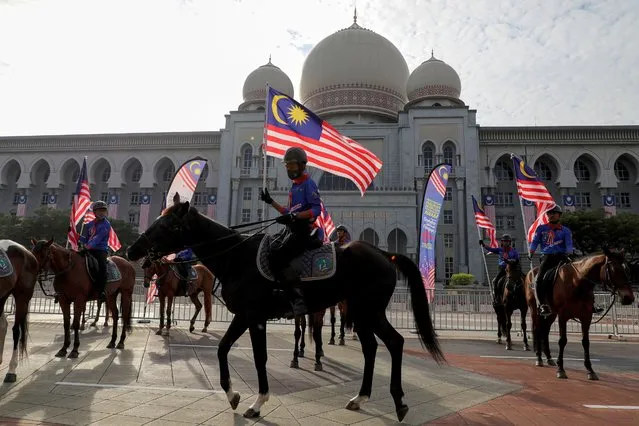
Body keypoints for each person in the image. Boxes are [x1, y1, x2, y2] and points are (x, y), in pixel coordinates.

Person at [259, 146, 322, 318]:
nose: (289, 168)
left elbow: (316, 210)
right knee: (269, 247)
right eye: (287, 165)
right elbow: (288, 212)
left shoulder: (309, 184)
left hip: (304, 231)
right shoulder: (294, 187)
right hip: (292, 229)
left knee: (279, 256)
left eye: (292, 165)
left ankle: (298, 301)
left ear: (302, 165)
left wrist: (295, 216)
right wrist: (270, 201)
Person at [528, 205, 605, 316]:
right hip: (547, 257)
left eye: (554, 213)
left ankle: (591, 304)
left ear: (559, 215)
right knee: (539, 279)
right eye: (549, 213)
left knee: (582, 276)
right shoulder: (541, 229)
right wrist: (531, 251)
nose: (551, 215)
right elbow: (535, 241)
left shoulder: (565, 230)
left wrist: (569, 253)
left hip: (562, 257)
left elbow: (569, 244)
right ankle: (542, 305)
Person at [80, 200, 111, 301]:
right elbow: (86, 238)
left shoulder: (106, 225)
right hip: (88, 248)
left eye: (103, 210)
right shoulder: (89, 224)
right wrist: (76, 236)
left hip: (100, 250)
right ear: (94, 212)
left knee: (102, 267)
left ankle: (101, 291)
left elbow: (97, 239)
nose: (102, 212)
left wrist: (87, 247)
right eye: (99, 211)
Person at [479, 234, 519, 303]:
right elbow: (491, 249)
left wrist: (511, 261)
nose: (506, 243)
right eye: (504, 241)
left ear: (510, 242)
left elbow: (517, 259)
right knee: (495, 281)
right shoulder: (500, 250)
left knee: (521, 279)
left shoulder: (514, 251)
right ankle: (496, 296)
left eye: (507, 241)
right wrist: (483, 245)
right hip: (502, 268)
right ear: (502, 242)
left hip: (511, 268)